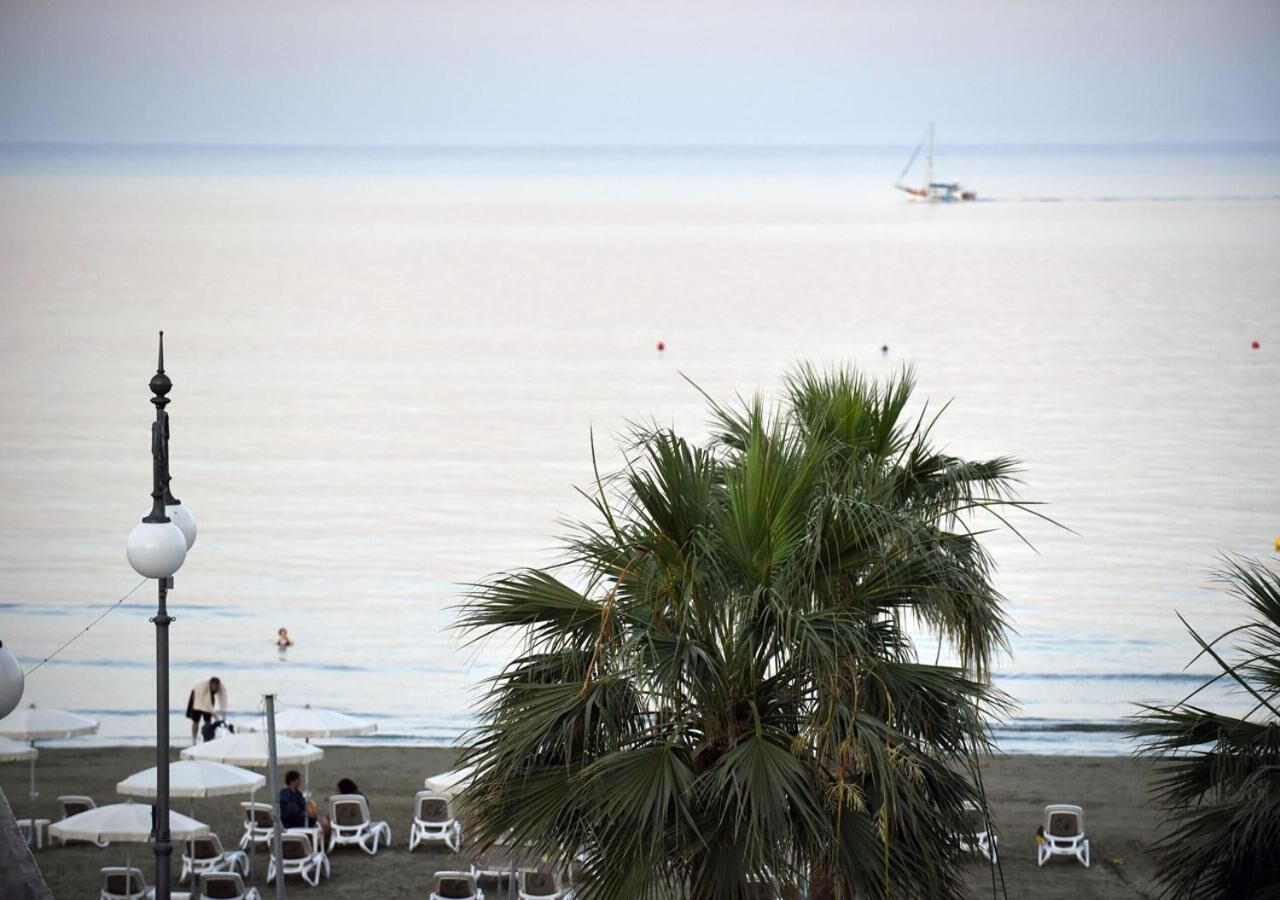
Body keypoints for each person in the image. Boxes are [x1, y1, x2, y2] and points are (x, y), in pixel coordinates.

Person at [185, 676, 226, 745]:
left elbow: (222, 699)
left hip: (208, 696)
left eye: (217, 687)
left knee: (207, 720)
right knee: (196, 720)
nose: (216, 689)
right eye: (215, 687)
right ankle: (194, 740)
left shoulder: (220, 688)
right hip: (197, 695)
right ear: (211, 684)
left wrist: (223, 714)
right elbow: (208, 705)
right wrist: (216, 717)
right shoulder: (202, 688)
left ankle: (207, 739)